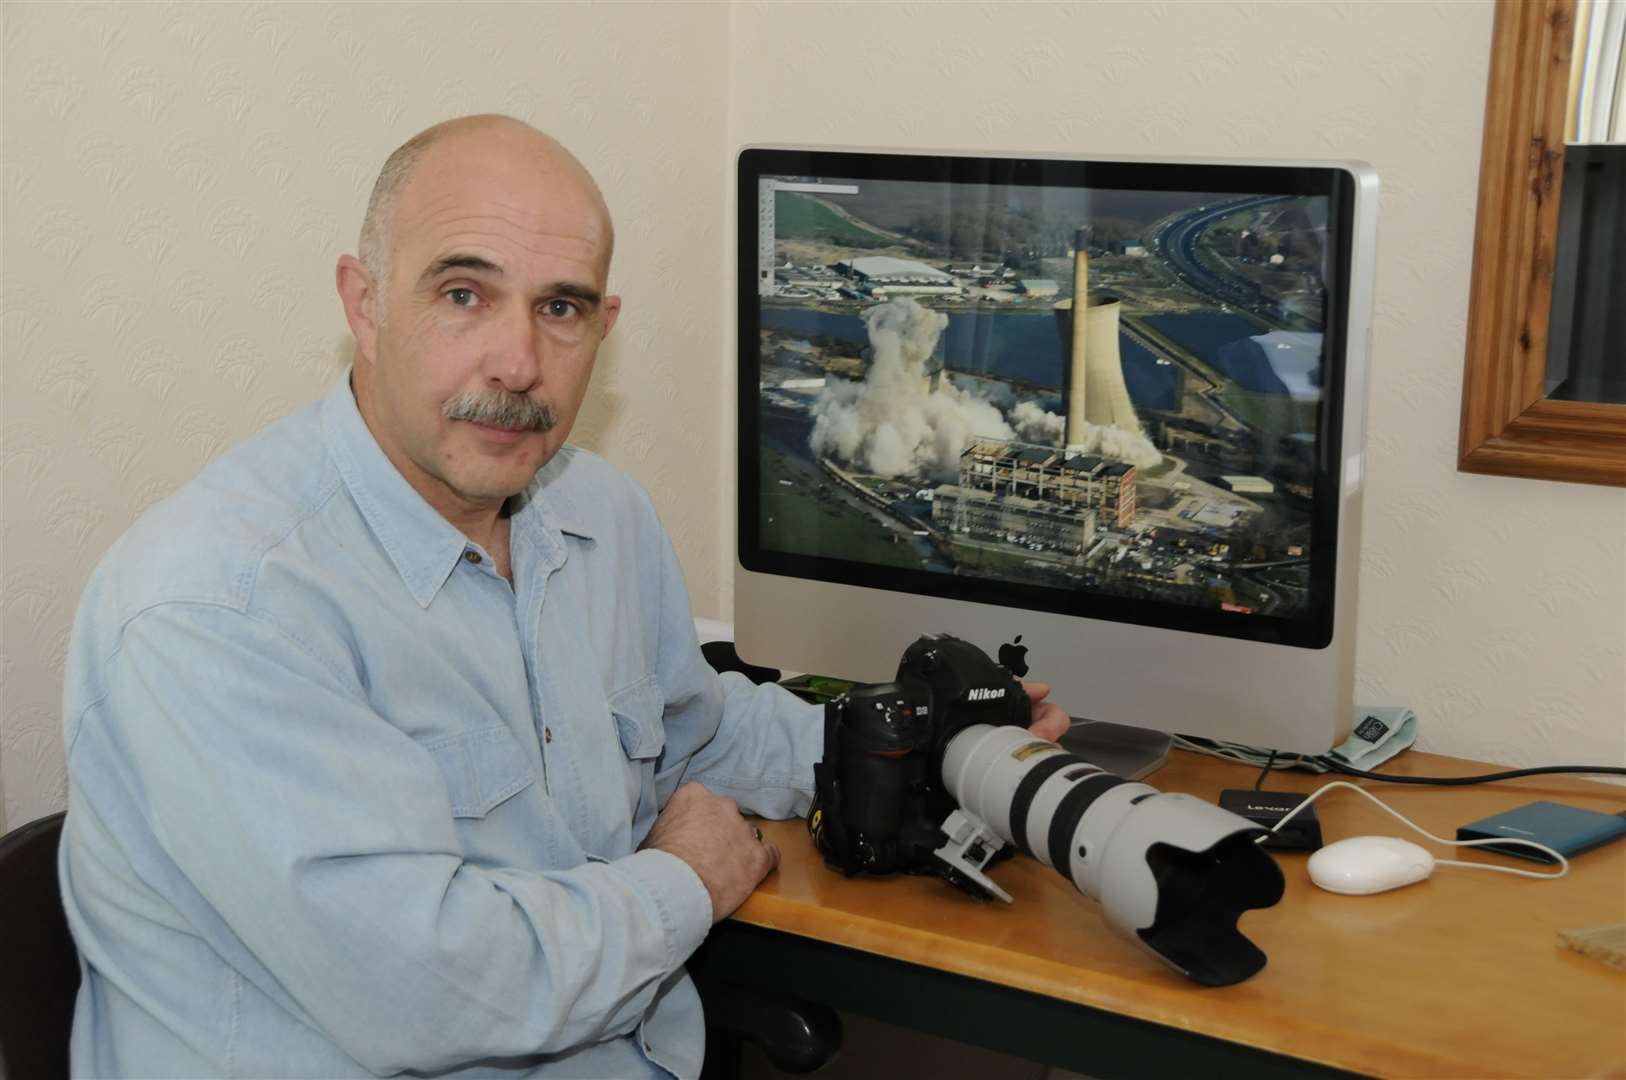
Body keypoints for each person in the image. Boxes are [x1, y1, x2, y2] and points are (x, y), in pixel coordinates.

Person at [58, 115, 1069, 1079]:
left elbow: (697, 734)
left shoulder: (598, 515)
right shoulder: (215, 607)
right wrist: (681, 883)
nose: (518, 363)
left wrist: (940, 752)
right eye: (463, 293)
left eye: (561, 307)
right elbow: (423, 989)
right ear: (362, 303)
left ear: (604, 328)